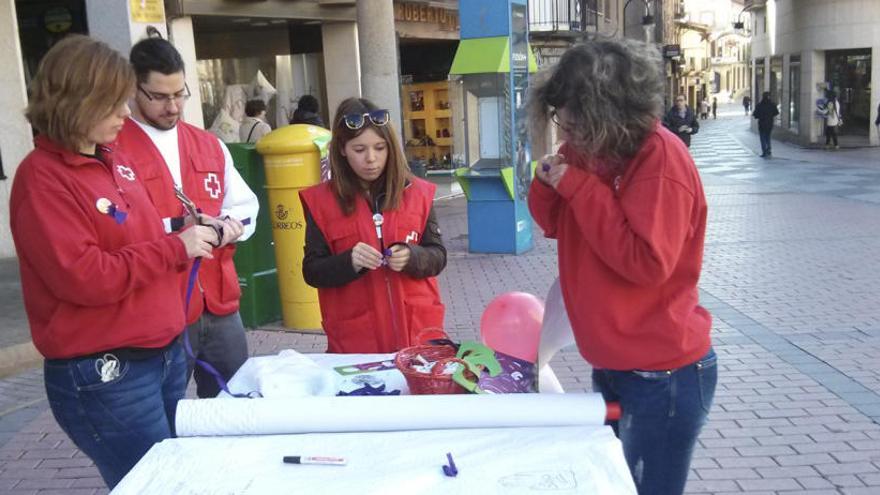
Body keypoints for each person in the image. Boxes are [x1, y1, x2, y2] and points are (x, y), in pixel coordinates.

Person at [9, 35, 218, 488]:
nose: (126, 112)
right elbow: (85, 277)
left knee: (170, 478)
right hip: (107, 372)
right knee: (159, 485)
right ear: (76, 103)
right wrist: (175, 248)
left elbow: (136, 236)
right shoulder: (41, 178)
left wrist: (186, 228)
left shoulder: (114, 158)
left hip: (160, 355)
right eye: (112, 102)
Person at [527, 37, 716, 495]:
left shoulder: (660, 160)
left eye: (573, 118)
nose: (565, 128)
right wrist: (550, 182)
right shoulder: (594, 147)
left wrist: (578, 187)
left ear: (607, 111)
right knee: (612, 484)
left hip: (661, 372)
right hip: (615, 361)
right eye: (560, 117)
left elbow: (647, 262)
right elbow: (556, 224)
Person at [115, 37, 260, 398]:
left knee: (236, 402)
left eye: (180, 94)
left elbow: (247, 208)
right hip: (161, 307)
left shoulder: (208, 144)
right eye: (160, 96)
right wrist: (179, 230)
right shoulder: (114, 148)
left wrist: (226, 228)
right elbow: (118, 230)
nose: (173, 106)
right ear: (134, 87)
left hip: (220, 302)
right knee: (167, 412)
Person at [300, 97, 447, 353]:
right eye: (359, 150)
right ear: (342, 149)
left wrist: (413, 257)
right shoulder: (319, 201)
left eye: (380, 148)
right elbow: (312, 271)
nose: (371, 159)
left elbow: (438, 255)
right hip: (355, 341)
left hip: (418, 336)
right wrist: (349, 262)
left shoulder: (418, 193)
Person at [752, 91, 779, 158]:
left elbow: (755, 115)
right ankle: (769, 150)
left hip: (762, 124)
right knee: (768, 137)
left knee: (763, 138)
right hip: (769, 123)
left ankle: (764, 151)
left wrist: (760, 116)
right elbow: (776, 113)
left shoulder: (759, 105)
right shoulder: (772, 105)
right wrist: (770, 115)